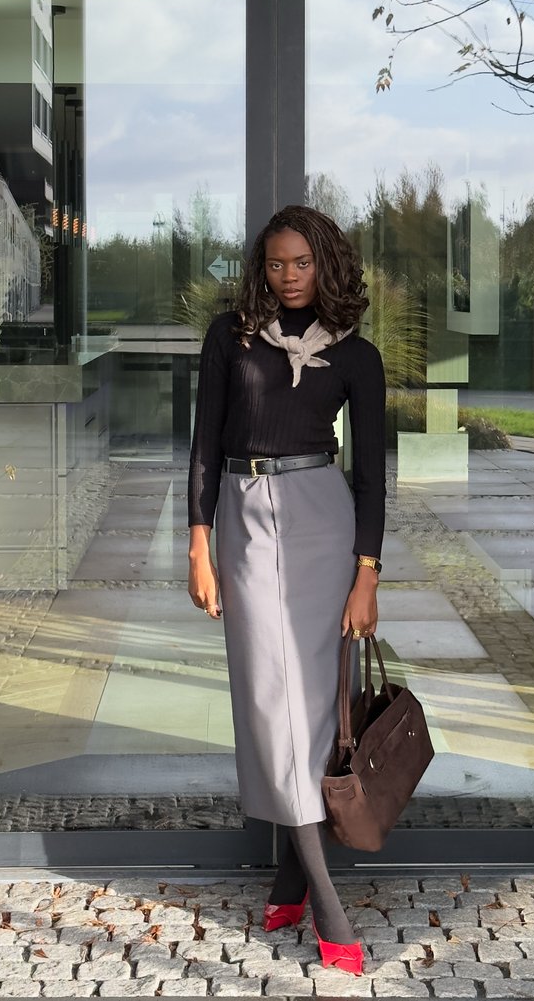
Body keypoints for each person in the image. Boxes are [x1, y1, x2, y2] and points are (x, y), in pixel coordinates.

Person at [187, 205, 385, 975]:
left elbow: (371, 475)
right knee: (273, 703)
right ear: (260, 268)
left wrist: (367, 572)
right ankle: (329, 906)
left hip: (323, 524)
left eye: (302, 262)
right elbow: (204, 445)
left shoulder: (356, 356)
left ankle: (295, 877)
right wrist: (199, 545)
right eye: (276, 263)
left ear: (326, 265)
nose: (288, 275)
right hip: (242, 518)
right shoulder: (229, 338)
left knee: (310, 704)